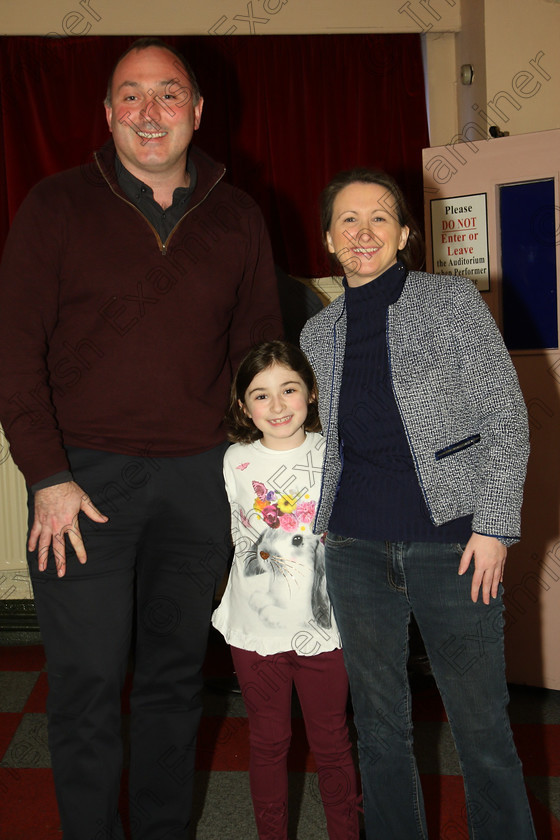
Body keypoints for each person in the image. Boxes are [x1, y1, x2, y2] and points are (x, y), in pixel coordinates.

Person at [0, 38, 281, 839]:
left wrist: (272, 475)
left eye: (167, 95)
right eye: (130, 96)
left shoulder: (238, 214)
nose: (148, 113)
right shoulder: (55, 206)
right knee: (87, 684)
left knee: (171, 683)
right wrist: (47, 475)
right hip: (81, 485)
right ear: (108, 114)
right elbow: (14, 354)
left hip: (199, 482)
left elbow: (258, 352)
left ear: (196, 111)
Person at [300, 168, 537, 839]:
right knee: (378, 728)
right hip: (352, 549)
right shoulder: (321, 334)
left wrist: (493, 526)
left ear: (405, 232)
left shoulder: (450, 301)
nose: (363, 232)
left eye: (379, 218)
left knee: (481, 724)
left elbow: (506, 417)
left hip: (453, 546)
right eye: (348, 220)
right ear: (328, 239)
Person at [212, 340, 360, 839]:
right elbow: (238, 537)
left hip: (325, 627)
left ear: (312, 392)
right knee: (268, 742)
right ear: (242, 407)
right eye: (260, 395)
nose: (276, 407)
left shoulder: (336, 452)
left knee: (333, 741)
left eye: (289, 389)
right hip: (253, 628)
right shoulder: (234, 460)